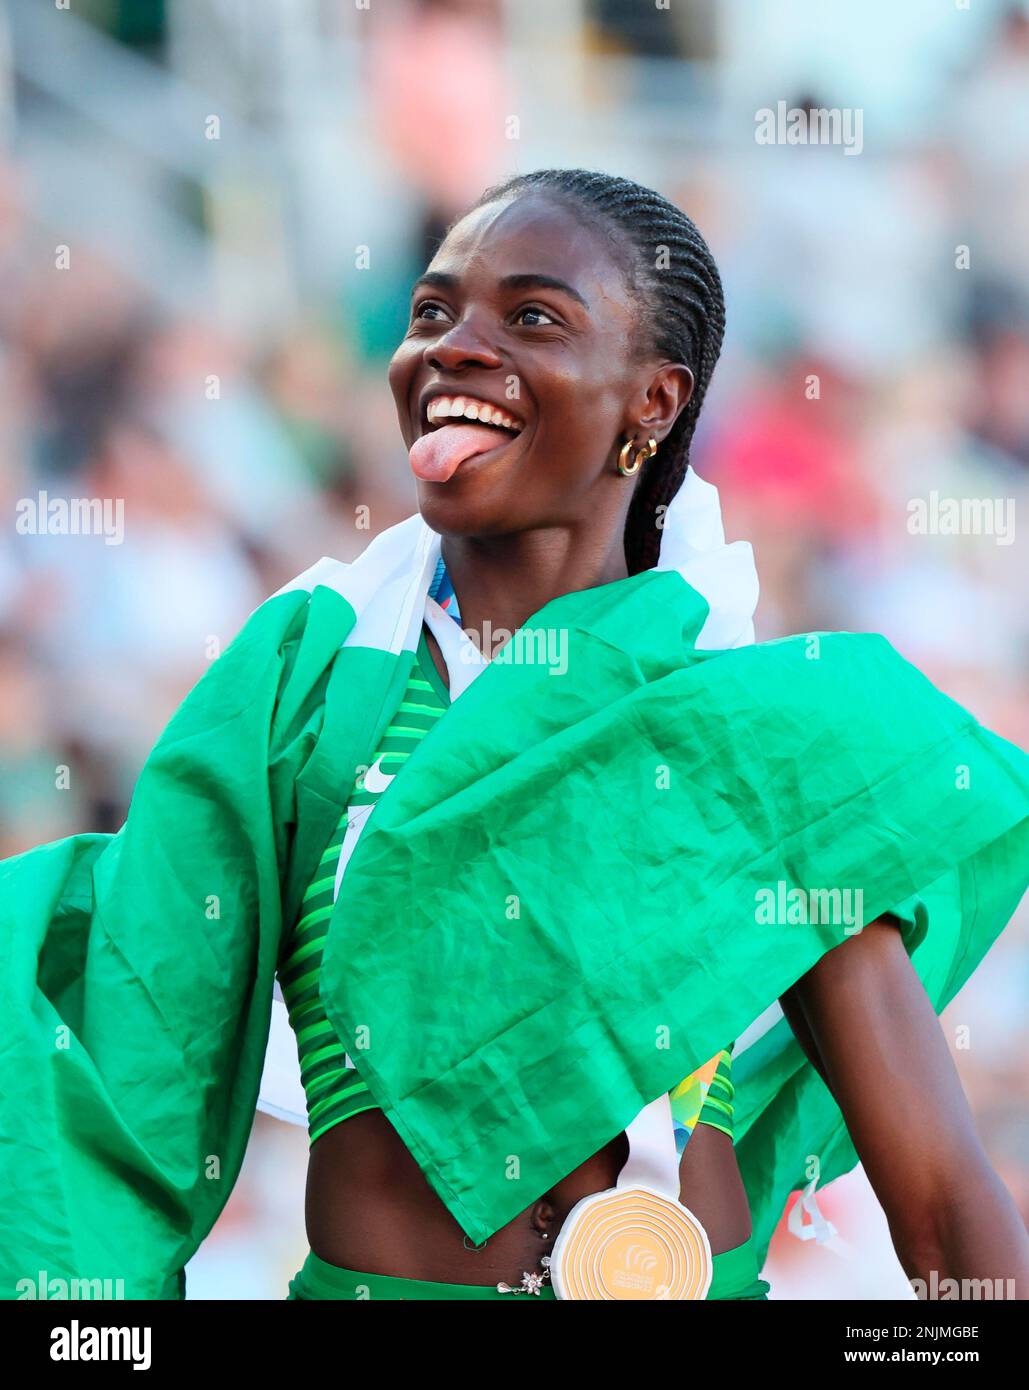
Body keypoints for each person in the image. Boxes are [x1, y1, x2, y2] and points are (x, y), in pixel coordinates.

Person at [2, 170, 1027, 1302]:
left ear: (654, 400)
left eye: (531, 317)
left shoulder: (762, 728)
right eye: (432, 314)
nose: (453, 347)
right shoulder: (301, 688)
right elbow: (128, 1068)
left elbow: (939, 1205)